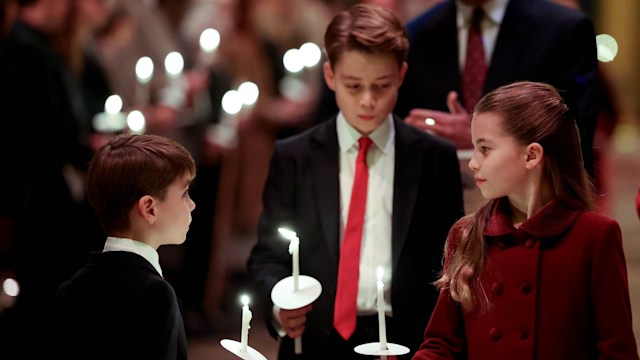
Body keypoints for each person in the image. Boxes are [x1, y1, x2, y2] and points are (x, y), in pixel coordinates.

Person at [247, 4, 465, 359]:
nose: (368, 100)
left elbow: (451, 263)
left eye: (381, 85)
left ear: (401, 75)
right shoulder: (295, 156)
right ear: (330, 76)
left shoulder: (432, 157)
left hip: (406, 342)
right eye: (353, 85)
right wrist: (279, 307)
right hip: (315, 341)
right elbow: (268, 256)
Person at [412, 81, 638, 359]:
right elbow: (442, 345)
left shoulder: (594, 235)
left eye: (485, 149)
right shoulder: (467, 234)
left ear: (531, 155)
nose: (473, 162)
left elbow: (617, 352)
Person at [395, 0, 599, 179]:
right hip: (445, 208)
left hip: (532, 209)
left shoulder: (564, 30)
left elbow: (574, 146)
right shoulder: (416, 35)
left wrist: (480, 139)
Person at [51, 133, 196, 360]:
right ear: (149, 208)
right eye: (185, 194)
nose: (192, 204)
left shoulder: (69, 290)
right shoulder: (156, 296)